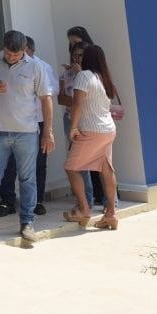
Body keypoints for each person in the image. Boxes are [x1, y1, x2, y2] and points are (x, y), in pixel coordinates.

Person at [0, 30, 54, 242]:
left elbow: (46, 100)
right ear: (3, 47)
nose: (11, 58)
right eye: (7, 53)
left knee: (27, 179)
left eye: (15, 55)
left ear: (24, 50)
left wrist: (48, 132)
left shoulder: (36, 66)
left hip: (27, 133)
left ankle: (27, 223)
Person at [0, 36, 58, 216]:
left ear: (29, 50)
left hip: (37, 121)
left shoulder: (43, 67)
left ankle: (37, 201)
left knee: (39, 163)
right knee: (10, 162)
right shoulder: (5, 64)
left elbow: (52, 90)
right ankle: (8, 201)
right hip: (14, 121)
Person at [62, 44, 120, 230]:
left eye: (81, 56)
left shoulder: (84, 76)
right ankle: (111, 214)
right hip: (108, 129)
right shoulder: (104, 78)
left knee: (71, 167)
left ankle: (83, 209)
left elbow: (77, 104)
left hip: (90, 130)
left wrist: (73, 127)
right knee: (106, 169)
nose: (78, 58)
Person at [58, 40, 92, 207]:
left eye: (80, 55)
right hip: (70, 119)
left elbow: (91, 99)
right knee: (78, 161)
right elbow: (61, 98)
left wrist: (80, 75)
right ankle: (86, 200)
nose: (77, 59)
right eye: (74, 56)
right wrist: (74, 102)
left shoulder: (92, 74)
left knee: (96, 159)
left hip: (89, 121)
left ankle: (105, 200)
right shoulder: (66, 75)